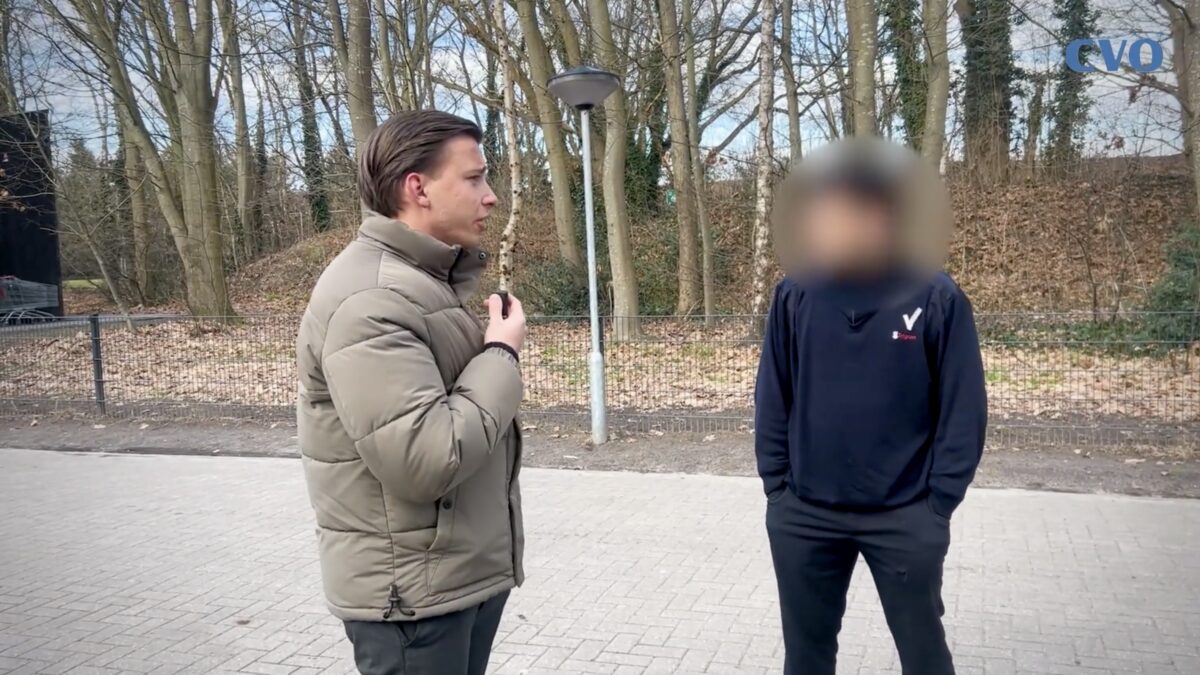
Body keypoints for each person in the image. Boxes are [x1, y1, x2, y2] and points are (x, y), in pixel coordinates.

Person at [296, 110, 527, 675]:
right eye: (474, 178)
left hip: (449, 582)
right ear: (417, 188)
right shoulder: (372, 299)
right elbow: (425, 459)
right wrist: (501, 354)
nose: (491, 196)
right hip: (413, 601)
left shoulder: (422, 283)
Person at [756, 139, 987, 675]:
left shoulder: (936, 298)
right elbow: (773, 395)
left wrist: (937, 506)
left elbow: (964, 410)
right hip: (805, 515)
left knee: (924, 656)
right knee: (806, 658)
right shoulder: (795, 295)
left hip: (905, 516)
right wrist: (778, 490)